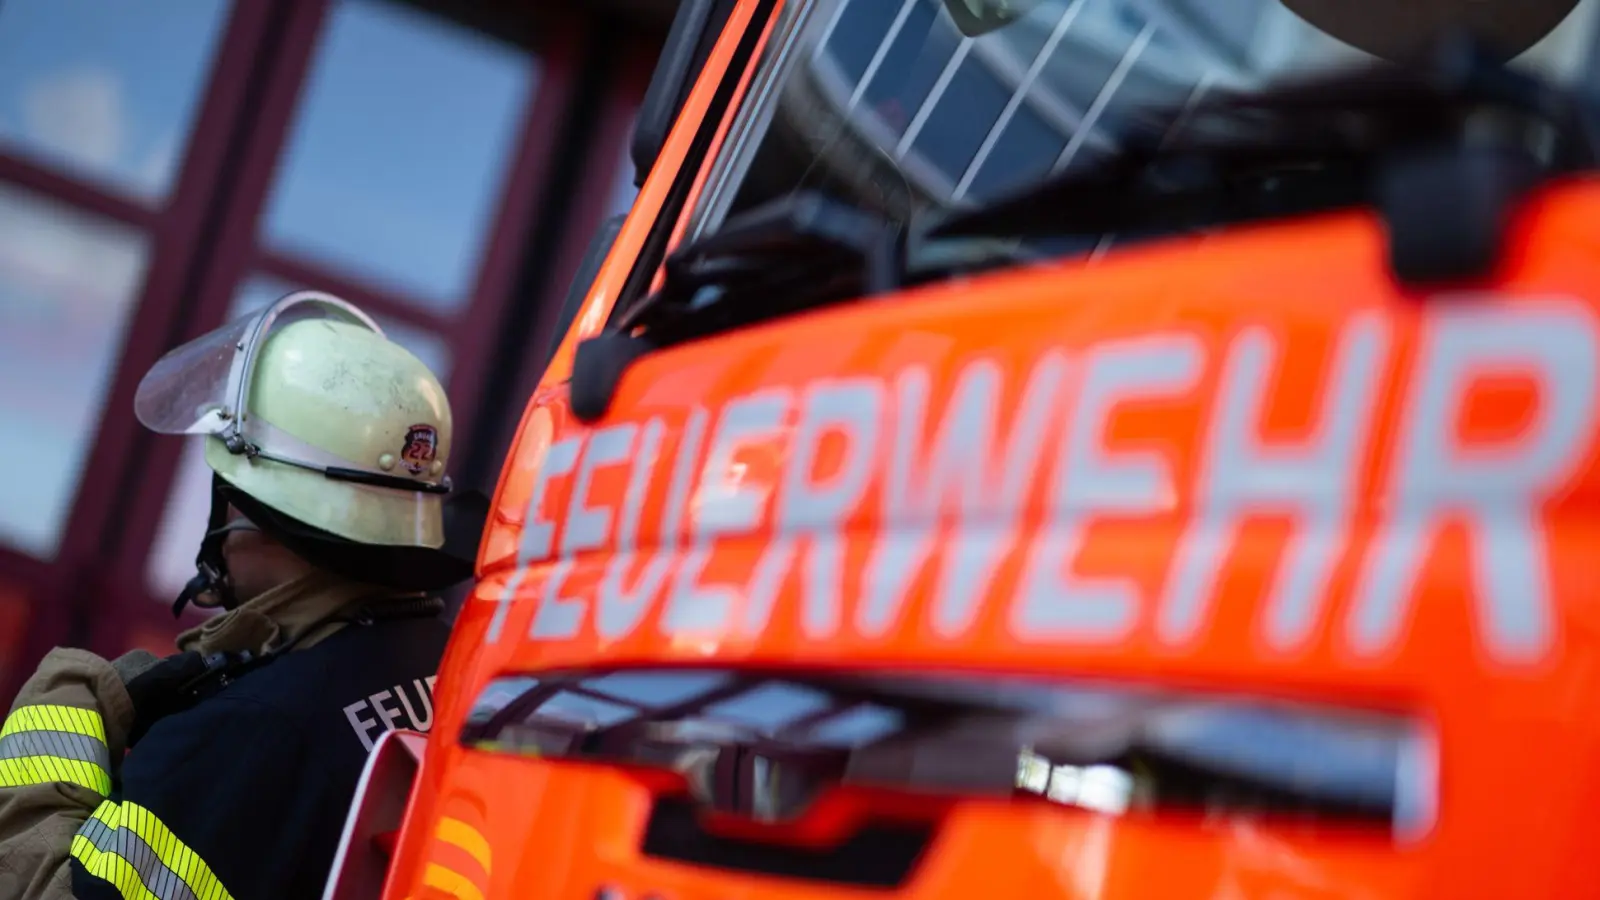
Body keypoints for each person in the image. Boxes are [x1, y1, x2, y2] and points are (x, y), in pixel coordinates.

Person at [0, 291, 487, 900]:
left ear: (258, 516)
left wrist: (60, 706)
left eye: (224, 489)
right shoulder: (452, 663)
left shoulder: (245, 735)